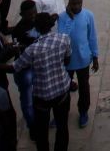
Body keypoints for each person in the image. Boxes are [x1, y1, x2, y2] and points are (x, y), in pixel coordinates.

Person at [12, 10, 74, 151]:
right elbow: (67, 60)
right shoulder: (63, 39)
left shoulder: (32, 50)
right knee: (62, 126)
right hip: (62, 90)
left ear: (37, 28)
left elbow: (16, 67)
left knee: (42, 132)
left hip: (42, 96)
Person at [58, 0, 99, 129]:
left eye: (78, 3)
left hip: (83, 59)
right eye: (73, 4)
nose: (76, 7)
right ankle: (62, 113)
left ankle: (83, 111)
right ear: (69, 3)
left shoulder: (88, 15)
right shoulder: (63, 17)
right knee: (64, 88)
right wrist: (70, 18)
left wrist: (95, 55)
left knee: (84, 86)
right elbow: (62, 36)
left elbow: (92, 37)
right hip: (67, 60)